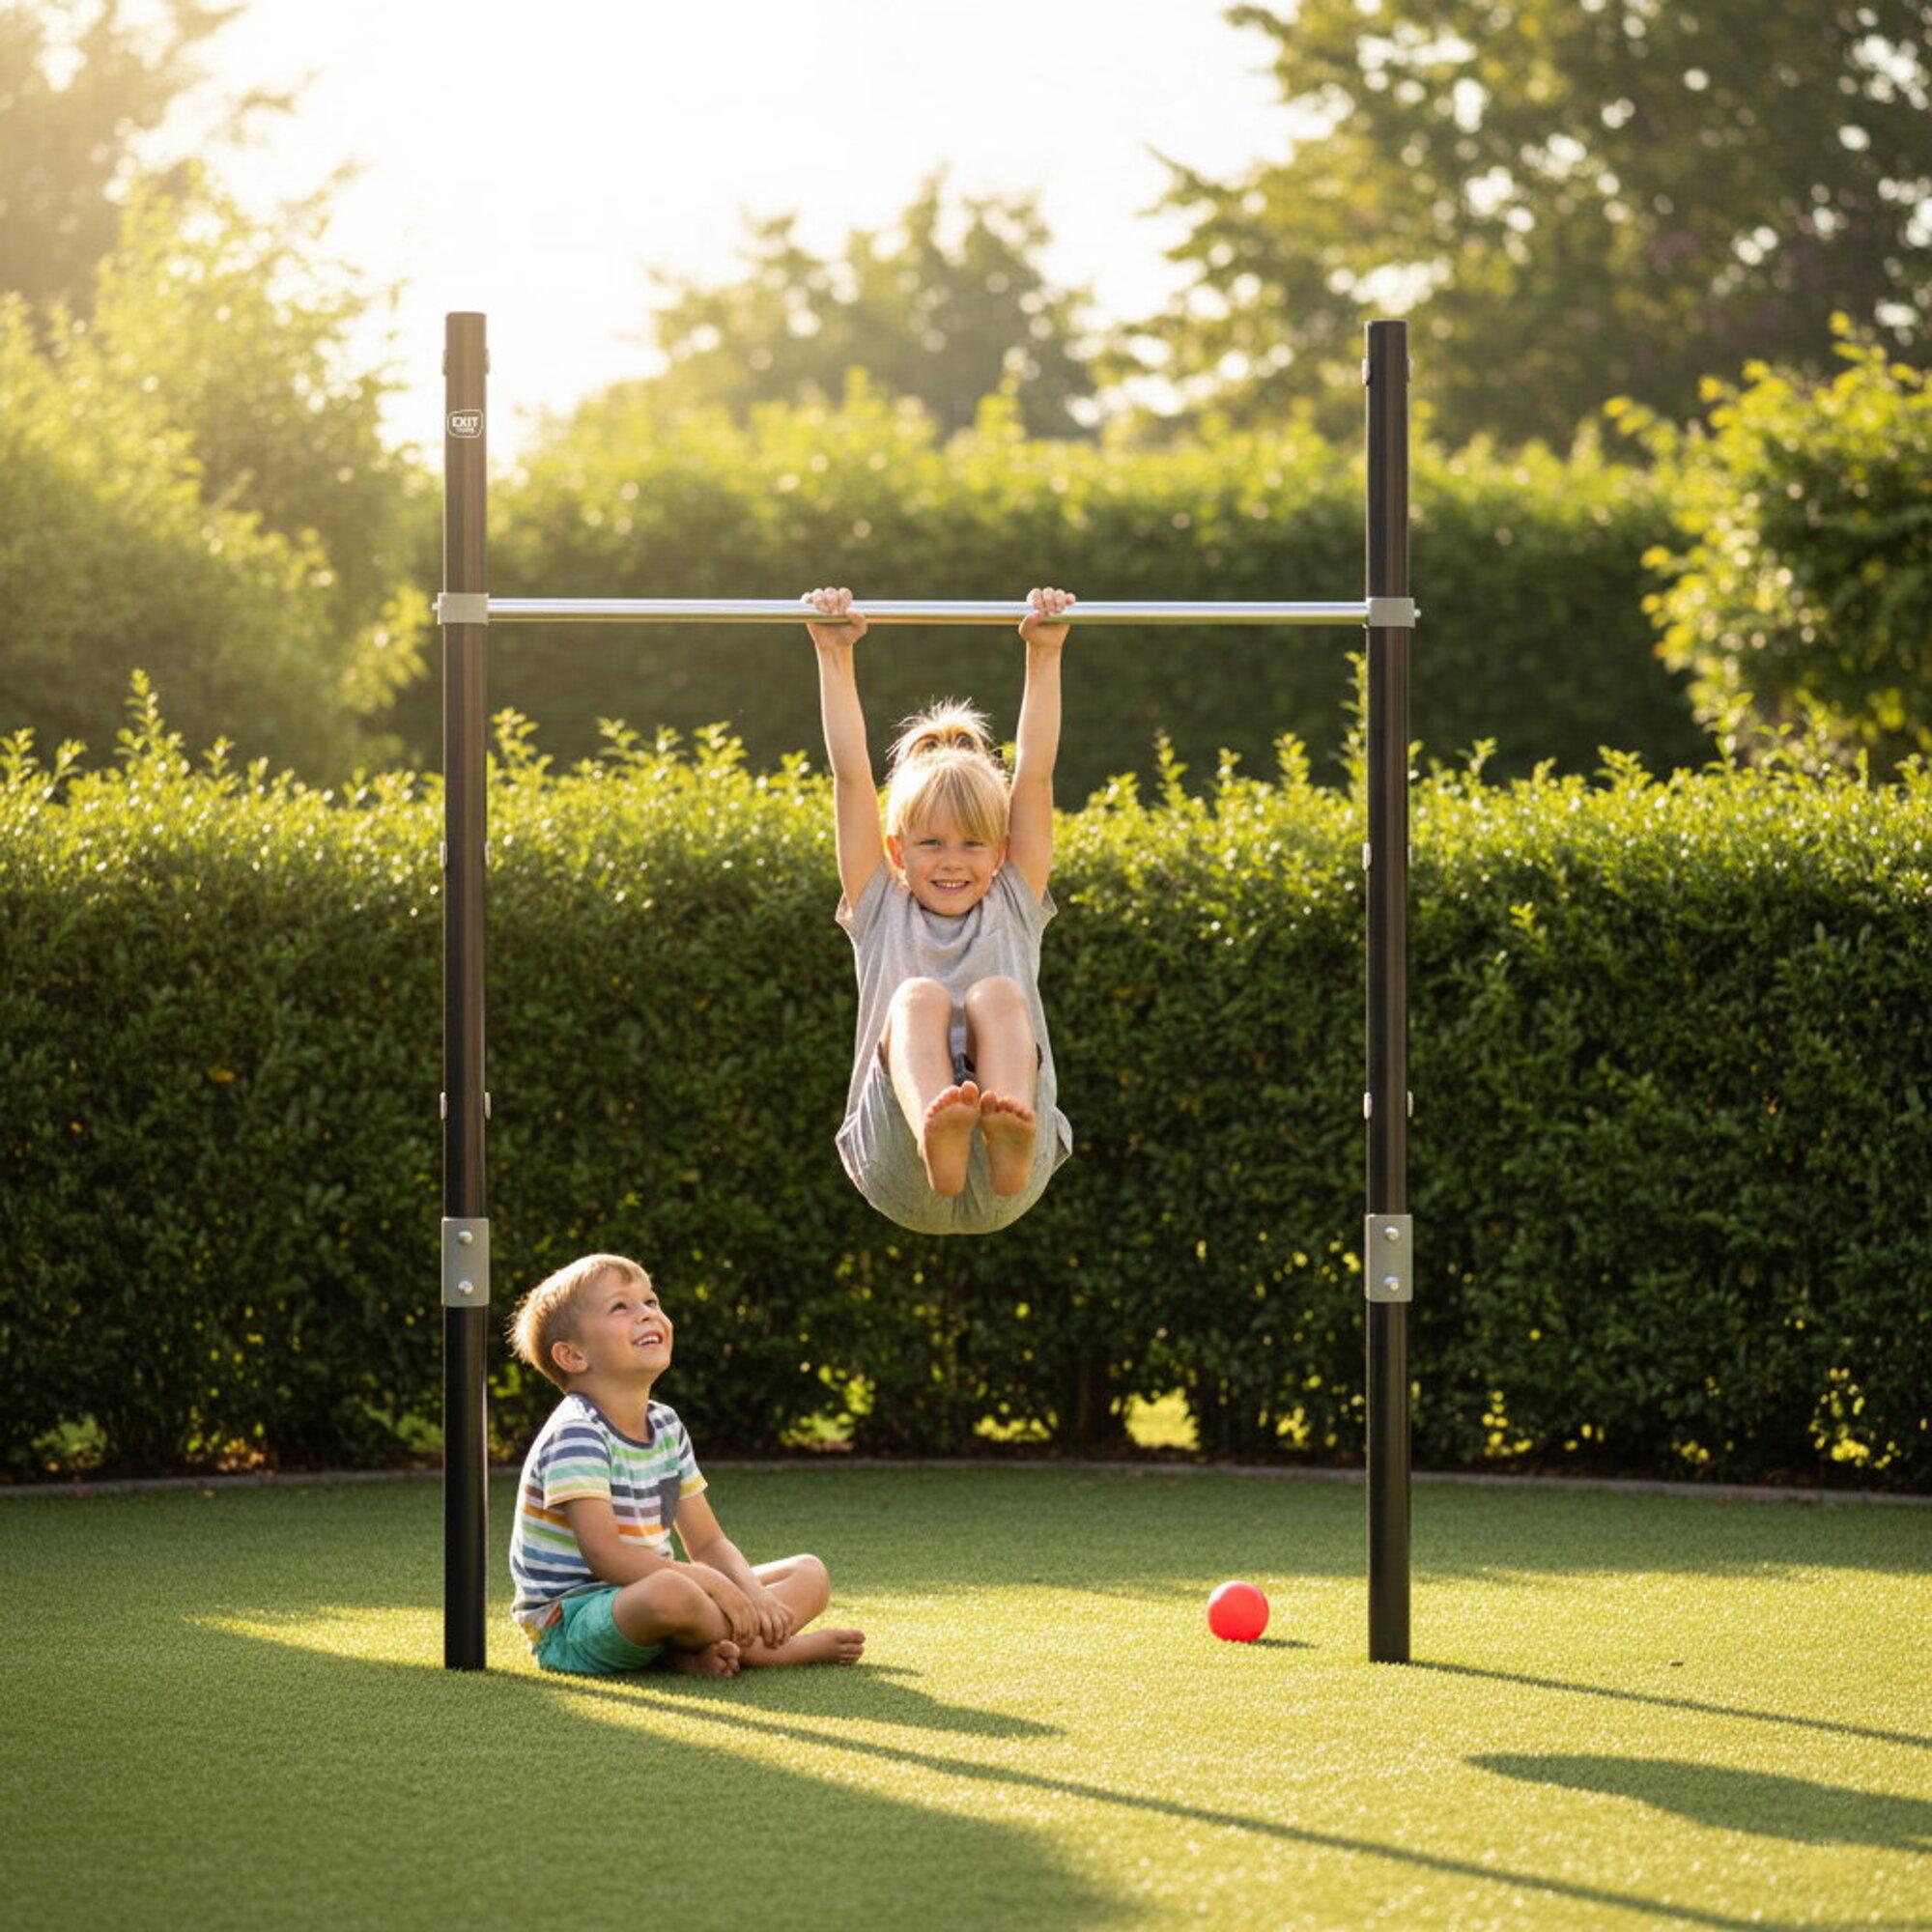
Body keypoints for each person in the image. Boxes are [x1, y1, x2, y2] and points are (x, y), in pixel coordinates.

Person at [804, 583, 1076, 1236]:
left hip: (1009, 1170)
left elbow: (1034, 774)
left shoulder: (1013, 900)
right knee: (917, 997)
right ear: (897, 849)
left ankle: (1001, 1129)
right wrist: (832, 656)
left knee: (998, 996)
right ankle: (936, 1129)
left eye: (972, 844)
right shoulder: (879, 906)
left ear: (1002, 850)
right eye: (930, 843)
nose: (952, 861)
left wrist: (1045, 653)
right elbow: (850, 778)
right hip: (900, 1162)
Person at [506, 1251, 866, 1678]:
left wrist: (750, 1592)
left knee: (809, 1572)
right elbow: (605, 1556)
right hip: (573, 1623)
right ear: (573, 1357)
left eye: (651, 1302)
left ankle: (685, 1652)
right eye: (621, 1307)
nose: (646, 1314)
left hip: (658, 1598)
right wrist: (715, 1586)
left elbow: (709, 1544)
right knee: (672, 1592)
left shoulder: (666, 1425)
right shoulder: (577, 1433)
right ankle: (770, 1652)